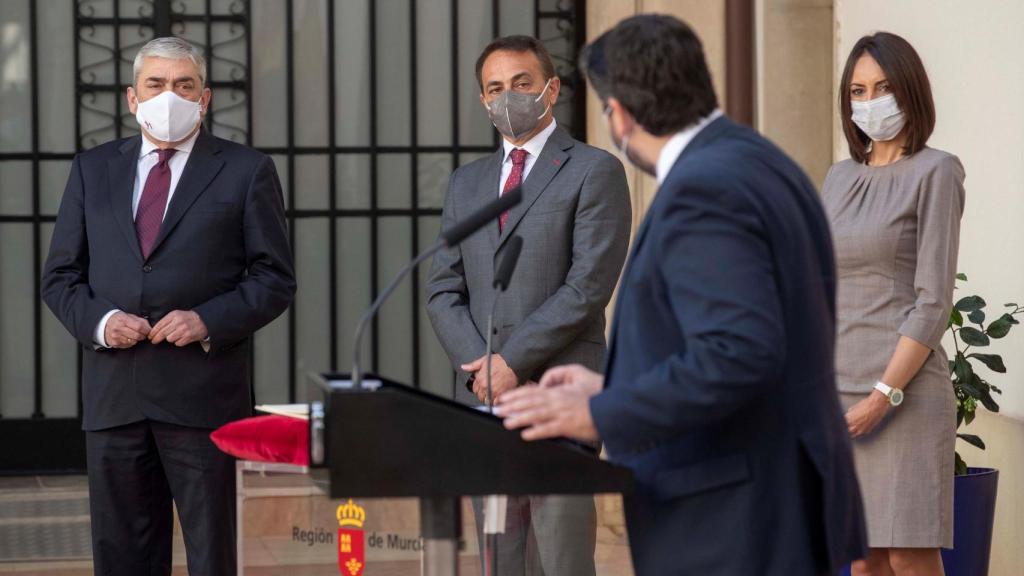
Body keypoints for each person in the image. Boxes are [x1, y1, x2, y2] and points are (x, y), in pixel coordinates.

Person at [497, 15, 867, 576]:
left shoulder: (705, 186)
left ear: (618, 113)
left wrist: (602, 410)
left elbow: (738, 351)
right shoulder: (760, 159)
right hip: (773, 501)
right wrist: (619, 384)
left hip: (733, 521)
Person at [41, 37, 295, 575]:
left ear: (205, 98)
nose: (170, 96)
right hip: (115, 400)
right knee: (122, 556)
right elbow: (61, 276)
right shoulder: (93, 169)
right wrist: (104, 323)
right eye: (156, 84)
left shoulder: (246, 170)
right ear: (132, 98)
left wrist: (208, 319)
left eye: (184, 85)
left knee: (213, 556)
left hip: (204, 401)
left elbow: (274, 277)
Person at [425, 35, 631, 576]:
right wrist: (482, 367)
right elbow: (443, 289)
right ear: (482, 100)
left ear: (551, 89)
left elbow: (587, 286)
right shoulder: (466, 184)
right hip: (483, 398)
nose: (508, 97)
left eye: (521, 83)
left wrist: (510, 363)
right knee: (500, 561)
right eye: (495, 88)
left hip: (559, 392)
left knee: (560, 558)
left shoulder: (593, 170)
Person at [823, 32, 964, 576]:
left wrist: (884, 395)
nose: (870, 101)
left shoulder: (938, 171)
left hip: (902, 394)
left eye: (882, 87)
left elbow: (933, 301)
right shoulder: (839, 178)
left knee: (907, 554)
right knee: (862, 559)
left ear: (909, 90)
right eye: (857, 90)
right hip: (838, 390)